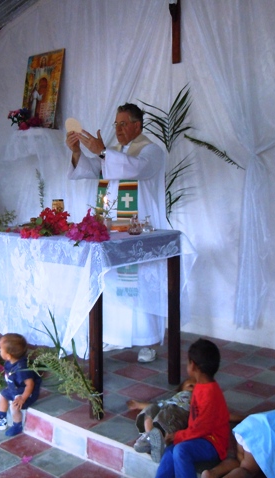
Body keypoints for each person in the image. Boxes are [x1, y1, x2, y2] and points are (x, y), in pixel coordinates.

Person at [66, 103, 166, 355]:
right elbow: (94, 170)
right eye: (116, 124)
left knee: (140, 281)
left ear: (137, 125)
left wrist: (103, 153)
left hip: (138, 229)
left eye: (123, 124)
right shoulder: (115, 153)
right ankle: (115, 335)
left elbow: (135, 169)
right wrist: (78, 152)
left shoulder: (151, 151)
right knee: (113, 280)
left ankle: (147, 341)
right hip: (112, 228)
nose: (119, 129)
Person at [153, 338, 231, 478]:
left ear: (193, 365)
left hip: (213, 443)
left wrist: (179, 436)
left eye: (188, 362)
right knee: (171, 451)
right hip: (199, 437)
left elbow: (201, 429)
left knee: (181, 450)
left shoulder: (210, 394)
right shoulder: (201, 386)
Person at [0, 333, 41, 437]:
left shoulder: (21, 369)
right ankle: (1, 417)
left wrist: (23, 398)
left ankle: (17, 425)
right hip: (15, 389)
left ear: (8, 355)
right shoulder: (10, 362)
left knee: (14, 407)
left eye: (1, 349)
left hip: (25, 393)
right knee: (3, 395)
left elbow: (30, 385)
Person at [130, 378, 195, 462]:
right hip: (165, 411)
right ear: (180, 390)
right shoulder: (172, 400)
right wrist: (138, 405)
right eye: (191, 386)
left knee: (165, 417)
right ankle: (149, 435)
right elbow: (157, 405)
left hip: (178, 413)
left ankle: (156, 440)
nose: (194, 389)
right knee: (151, 408)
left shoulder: (194, 400)